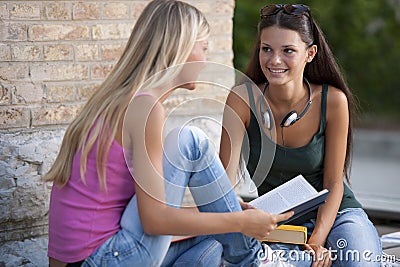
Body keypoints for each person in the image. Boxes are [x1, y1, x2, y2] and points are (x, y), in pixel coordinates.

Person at [44, 1, 296, 266]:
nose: (205, 59)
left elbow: (150, 214)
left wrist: (227, 213)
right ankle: (256, 260)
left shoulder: (122, 99)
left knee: (214, 242)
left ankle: (249, 254)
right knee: (189, 141)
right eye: (204, 47)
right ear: (181, 48)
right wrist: (240, 222)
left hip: (90, 258)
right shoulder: (145, 109)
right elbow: (155, 221)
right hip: (102, 258)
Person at [219, 4, 382, 267]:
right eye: (267, 49)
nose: (274, 60)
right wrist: (241, 213)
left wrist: (318, 241)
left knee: (358, 263)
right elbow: (223, 182)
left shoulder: (332, 101)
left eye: (288, 51)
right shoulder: (241, 100)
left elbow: (333, 182)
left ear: (310, 53)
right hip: (277, 223)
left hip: (337, 214)